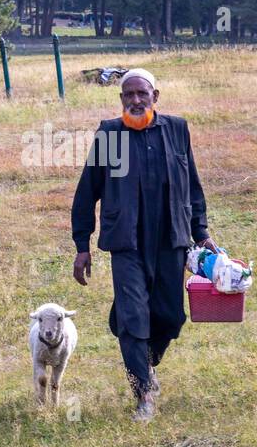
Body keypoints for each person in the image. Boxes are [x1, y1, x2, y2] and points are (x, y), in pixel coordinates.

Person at [71, 68, 217, 422]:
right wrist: (82, 244)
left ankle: (144, 358)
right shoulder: (110, 135)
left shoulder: (177, 129)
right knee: (135, 316)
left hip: (171, 238)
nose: (136, 100)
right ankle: (144, 393)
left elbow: (192, 185)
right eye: (129, 95)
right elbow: (87, 190)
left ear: (156, 96)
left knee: (170, 316)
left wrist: (202, 231)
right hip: (127, 241)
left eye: (142, 94)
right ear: (121, 99)